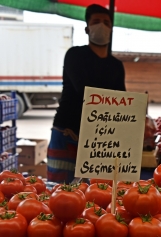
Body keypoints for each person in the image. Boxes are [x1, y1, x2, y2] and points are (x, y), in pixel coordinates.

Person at [47, 4, 126, 183]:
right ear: (86, 28)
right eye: (96, 21)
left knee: (97, 195)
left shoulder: (116, 66)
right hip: (69, 133)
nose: (102, 26)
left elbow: (122, 99)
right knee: (61, 193)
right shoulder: (75, 55)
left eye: (106, 22)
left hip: (101, 139)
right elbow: (85, 91)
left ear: (111, 29)